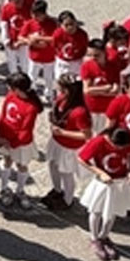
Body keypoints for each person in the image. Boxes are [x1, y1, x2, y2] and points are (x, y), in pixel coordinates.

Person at [78, 127, 130, 261]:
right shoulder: (98, 142)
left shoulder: (126, 140)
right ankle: (94, 238)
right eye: (116, 146)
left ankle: (104, 236)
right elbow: (82, 159)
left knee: (112, 212)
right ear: (111, 139)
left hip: (119, 182)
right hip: (103, 183)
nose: (119, 149)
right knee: (96, 211)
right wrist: (100, 172)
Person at [44, 75, 92, 210]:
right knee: (53, 165)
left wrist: (63, 133)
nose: (58, 88)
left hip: (69, 147)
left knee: (66, 172)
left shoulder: (80, 112)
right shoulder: (61, 99)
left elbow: (86, 135)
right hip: (57, 141)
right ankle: (57, 190)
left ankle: (67, 200)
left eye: (61, 87)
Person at [0, 72, 43, 209]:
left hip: (20, 143)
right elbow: (3, 117)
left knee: (22, 165)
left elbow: (25, 130)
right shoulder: (10, 96)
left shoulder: (31, 107)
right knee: (6, 161)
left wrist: (13, 144)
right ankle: (4, 189)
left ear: (17, 88)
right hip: (6, 138)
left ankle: (20, 190)